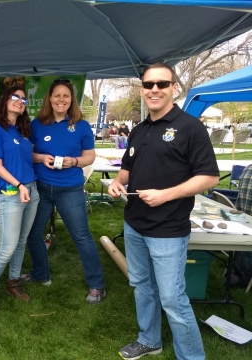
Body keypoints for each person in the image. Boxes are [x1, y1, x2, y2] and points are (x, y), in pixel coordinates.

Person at [108, 63, 219, 360]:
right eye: (148, 84)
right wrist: (117, 183)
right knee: (142, 287)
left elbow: (209, 177)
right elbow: (127, 169)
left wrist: (166, 195)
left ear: (174, 87)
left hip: (168, 229)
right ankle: (149, 340)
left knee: (172, 298)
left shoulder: (190, 128)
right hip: (134, 224)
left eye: (161, 83)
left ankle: (192, 357)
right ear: (142, 89)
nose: (154, 89)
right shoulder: (139, 130)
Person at [21, 79, 106, 305]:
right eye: (57, 95)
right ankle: (41, 273)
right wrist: (41, 157)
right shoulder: (36, 124)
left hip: (70, 189)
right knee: (33, 234)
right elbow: (27, 154)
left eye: (66, 96)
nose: (61, 99)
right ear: (49, 98)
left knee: (82, 236)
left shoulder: (81, 125)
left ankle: (97, 285)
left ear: (72, 100)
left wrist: (75, 161)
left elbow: (90, 156)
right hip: (40, 187)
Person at [0, 86, 39, 319]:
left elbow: (28, 158)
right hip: (13, 193)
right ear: (5, 101)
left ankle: (13, 282)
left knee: (21, 242)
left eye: (23, 99)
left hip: (32, 191)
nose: (20, 101)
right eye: (15, 97)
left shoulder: (24, 131)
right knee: (6, 248)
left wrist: (40, 161)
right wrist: (20, 185)